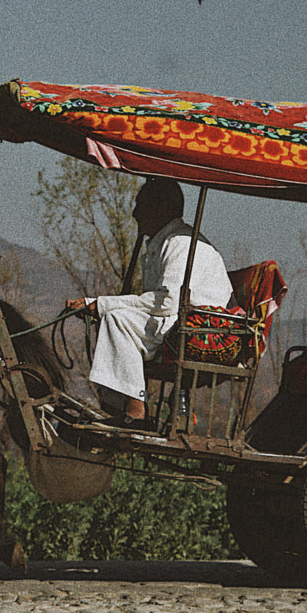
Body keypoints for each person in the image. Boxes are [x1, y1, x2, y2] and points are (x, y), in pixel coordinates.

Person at [64, 177, 232, 427]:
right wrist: (97, 304)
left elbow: (167, 302)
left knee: (117, 319)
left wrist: (100, 304)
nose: (134, 214)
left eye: (140, 206)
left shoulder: (181, 243)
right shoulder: (163, 243)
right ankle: (116, 404)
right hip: (179, 319)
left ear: (163, 208)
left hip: (197, 325)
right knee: (114, 317)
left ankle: (134, 409)